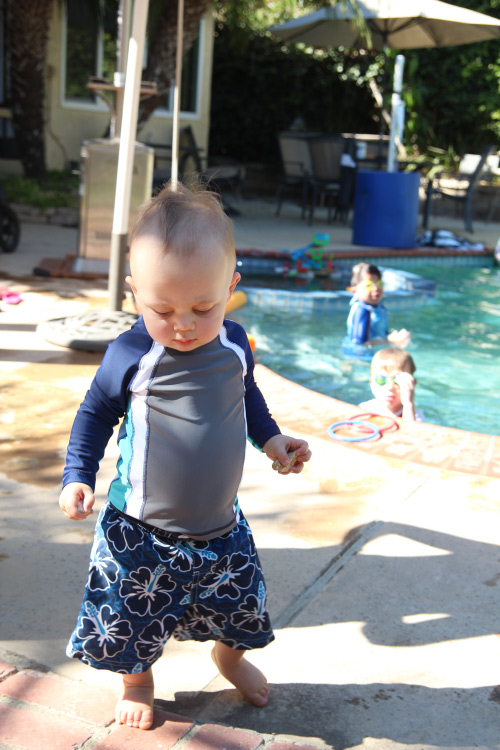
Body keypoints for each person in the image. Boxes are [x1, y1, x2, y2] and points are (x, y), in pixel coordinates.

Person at [59, 182, 311, 731]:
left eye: (203, 307)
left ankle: (229, 658)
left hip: (221, 526)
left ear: (231, 287)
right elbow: (95, 414)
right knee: (129, 617)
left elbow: (247, 398)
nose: (184, 324)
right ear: (134, 293)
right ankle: (138, 681)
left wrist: (273, 441)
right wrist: (78, 474)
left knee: (242, 606)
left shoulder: (234, 344)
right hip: (139, 530)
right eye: (163, 308)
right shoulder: (132, 353)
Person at [345, 262, 411, 348]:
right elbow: (360, 342)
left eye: (379, 283)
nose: (376, 288)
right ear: (354, 291)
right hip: (362, 354)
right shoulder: (362, 311)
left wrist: (392, 337)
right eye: (368, 285)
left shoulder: (379, 307)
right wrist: (390, 341)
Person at [359, 347, 424, 422]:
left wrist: (408, 404)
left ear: (412, 385)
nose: (389, 387)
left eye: (397, 380)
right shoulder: (364, 409)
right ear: (371, 382)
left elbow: (410, 429)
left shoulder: (414, 415)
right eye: (381, 379)